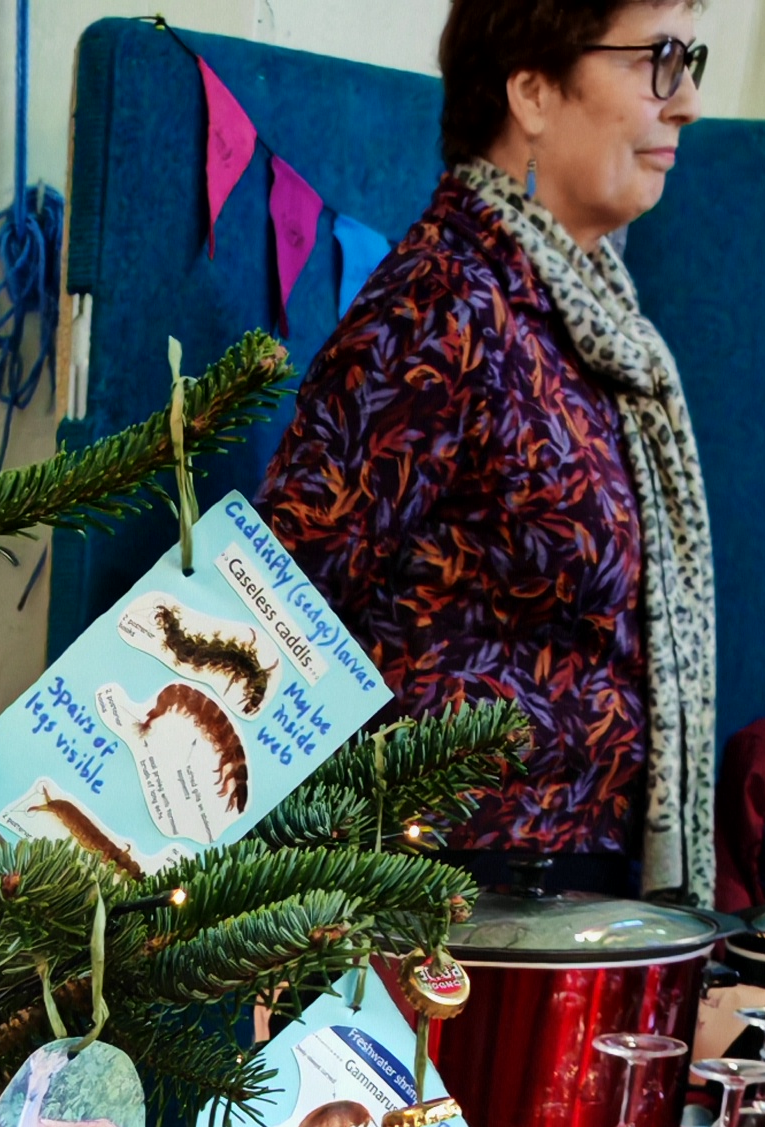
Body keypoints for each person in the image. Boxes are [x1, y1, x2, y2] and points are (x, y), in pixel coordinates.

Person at [255, 1, 717, 900]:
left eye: (688, 61)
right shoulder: (439, 307)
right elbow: (274, 609)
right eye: (658, 58)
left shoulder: (583, 321)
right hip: (447, 919)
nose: (688, 101)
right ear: (533, 92)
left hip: (567, 903)